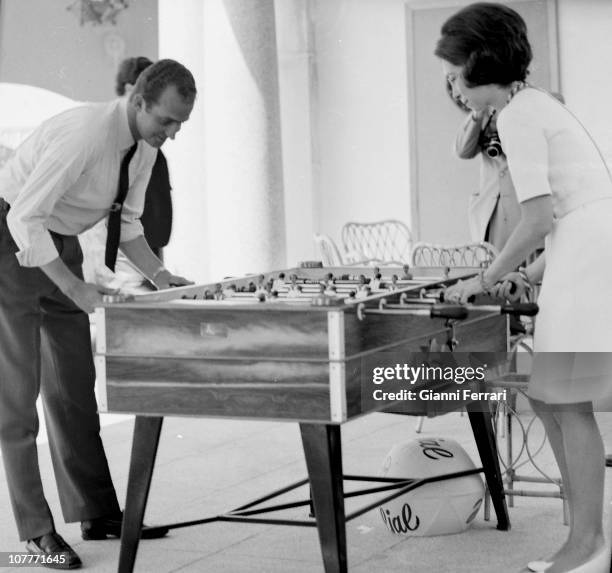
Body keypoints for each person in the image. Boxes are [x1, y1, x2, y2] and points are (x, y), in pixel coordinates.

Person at [0, 59, 196, 569]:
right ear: (139, 102)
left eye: (180, 125)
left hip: (56, 243)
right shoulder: (86, 134)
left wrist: (160, 276)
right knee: (17, 398)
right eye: (166, 121)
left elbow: (128, 225)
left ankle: (97, 512)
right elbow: (23, 216)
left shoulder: (144, 148)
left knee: (73, 385)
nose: (171, 133)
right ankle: (36, 533)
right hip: (7, 239)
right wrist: (75, 288)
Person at [437, 4, 611, 573]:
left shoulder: (515, 116)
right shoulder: (533, 104)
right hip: (585, 247)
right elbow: (565, 213)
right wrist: (523, 275)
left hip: (589, 254)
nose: (455, 86)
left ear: (477, 64)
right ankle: (583, 533)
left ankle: (586, 544)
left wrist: (483, 280)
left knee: (567, 398)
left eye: (455, 70)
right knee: (547, 393)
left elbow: (537, 218)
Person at [449, 81, 522, 250]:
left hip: (520, 205)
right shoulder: (483, 114)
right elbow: (463, 150)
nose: (456, 94)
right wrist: (478, 114)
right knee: (495, 266)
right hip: (492, 210)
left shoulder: (521, 103)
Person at [116, 56, 173, 261]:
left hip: (147, 248)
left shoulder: (150, 144)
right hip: (125, 253)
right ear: (131, 90)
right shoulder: (119, 140)